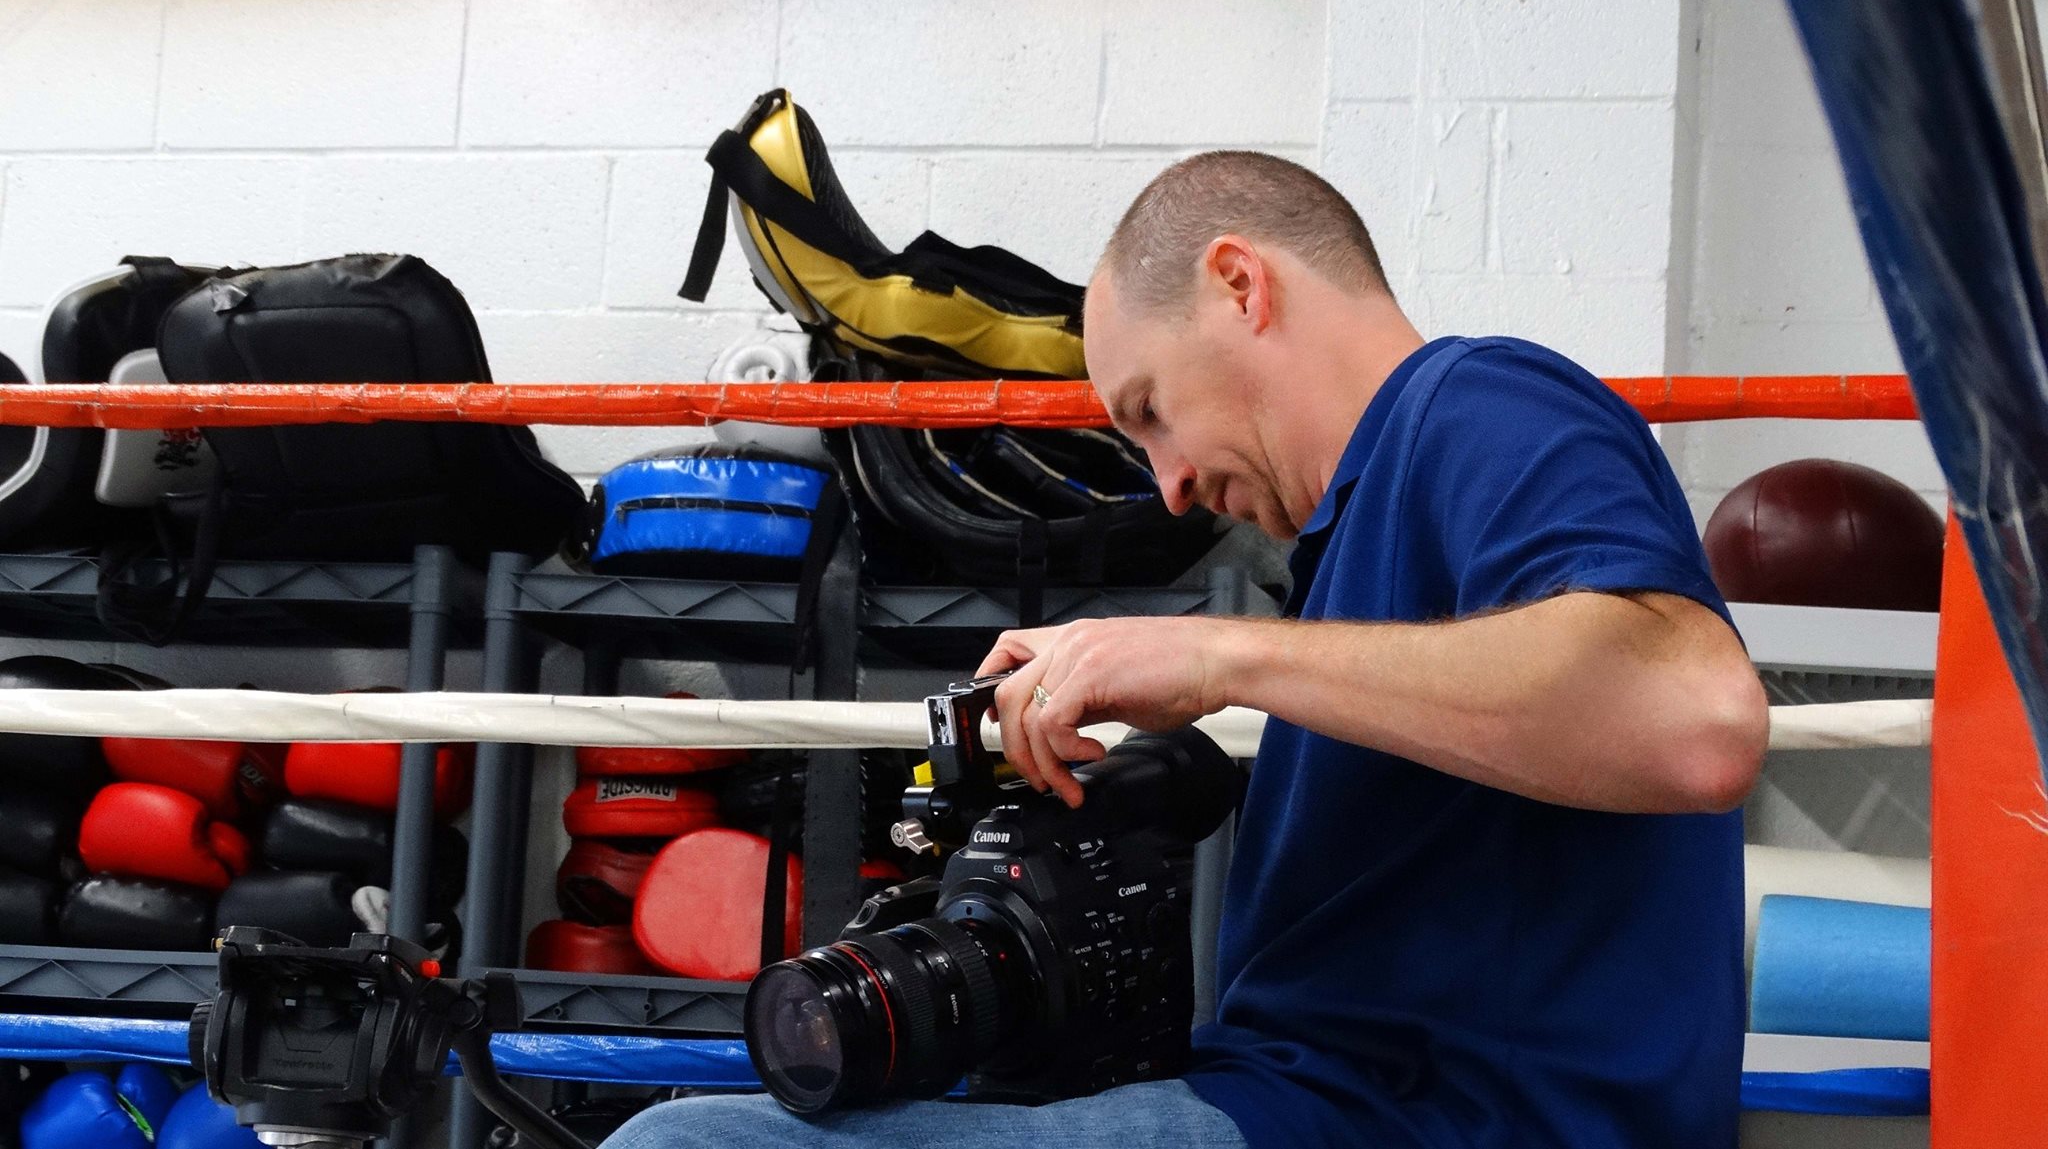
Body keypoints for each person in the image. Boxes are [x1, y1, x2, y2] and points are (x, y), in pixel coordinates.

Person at [605, 152, 1768, 1149]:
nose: (1165, 485)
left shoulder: (1474, 402)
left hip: (1414, 1122)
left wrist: (1219, 655)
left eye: (1150, 408)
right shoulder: (1352, 550)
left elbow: (1694, 720)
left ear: (1238, 285)